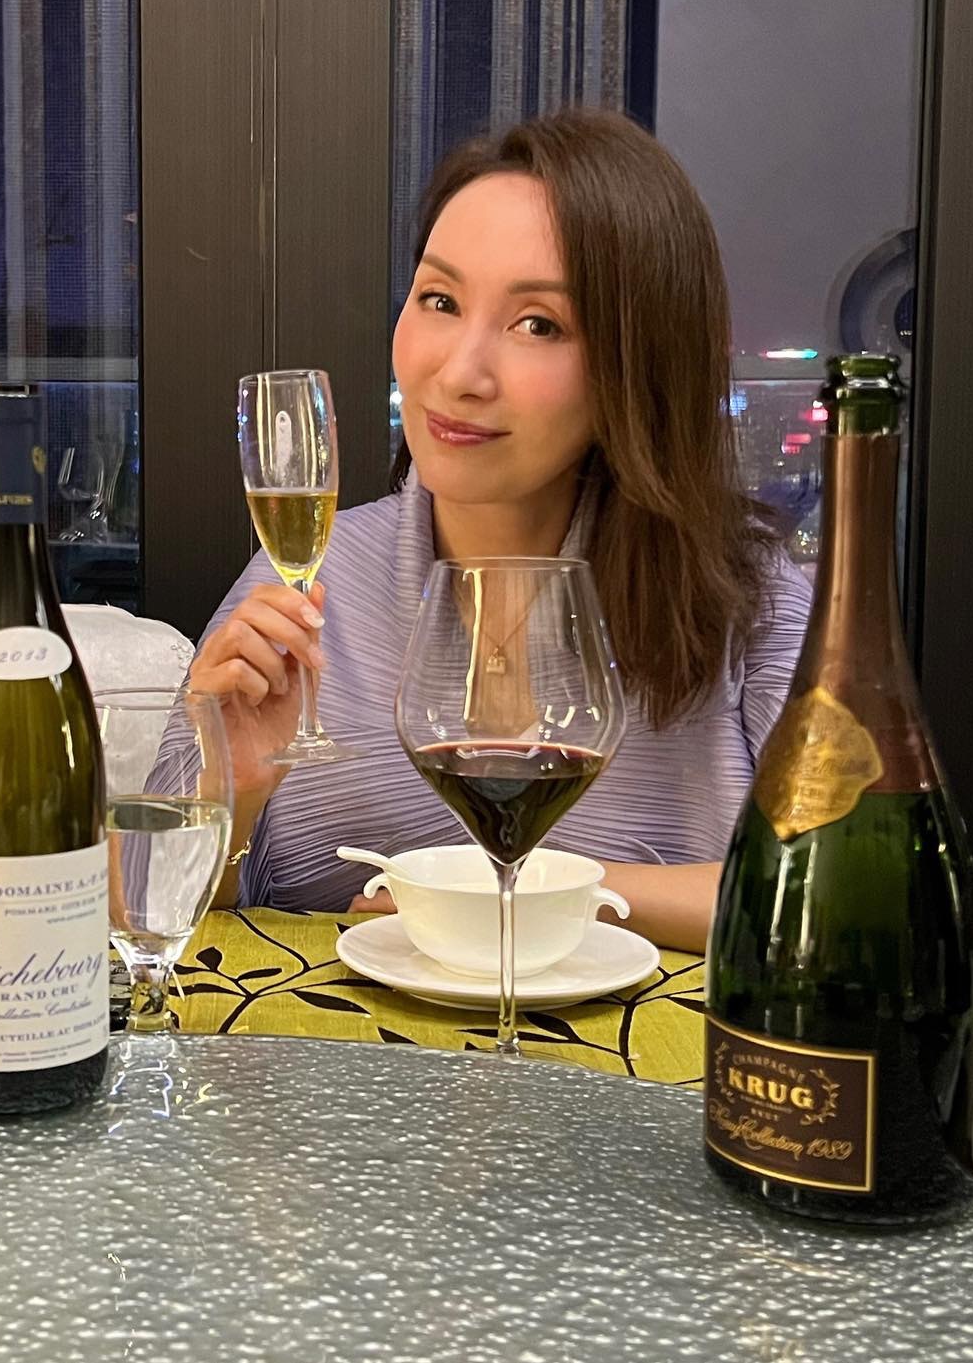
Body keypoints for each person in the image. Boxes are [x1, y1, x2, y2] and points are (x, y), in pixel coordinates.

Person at [157, 107, 810, 952]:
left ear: (637, 365)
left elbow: (846, 901)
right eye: (439, 300)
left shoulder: (746, 601)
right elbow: (138, 911)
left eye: (538, 324)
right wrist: (231, 787)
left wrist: (538, 892)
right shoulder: (311, 583)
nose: (460, 372)